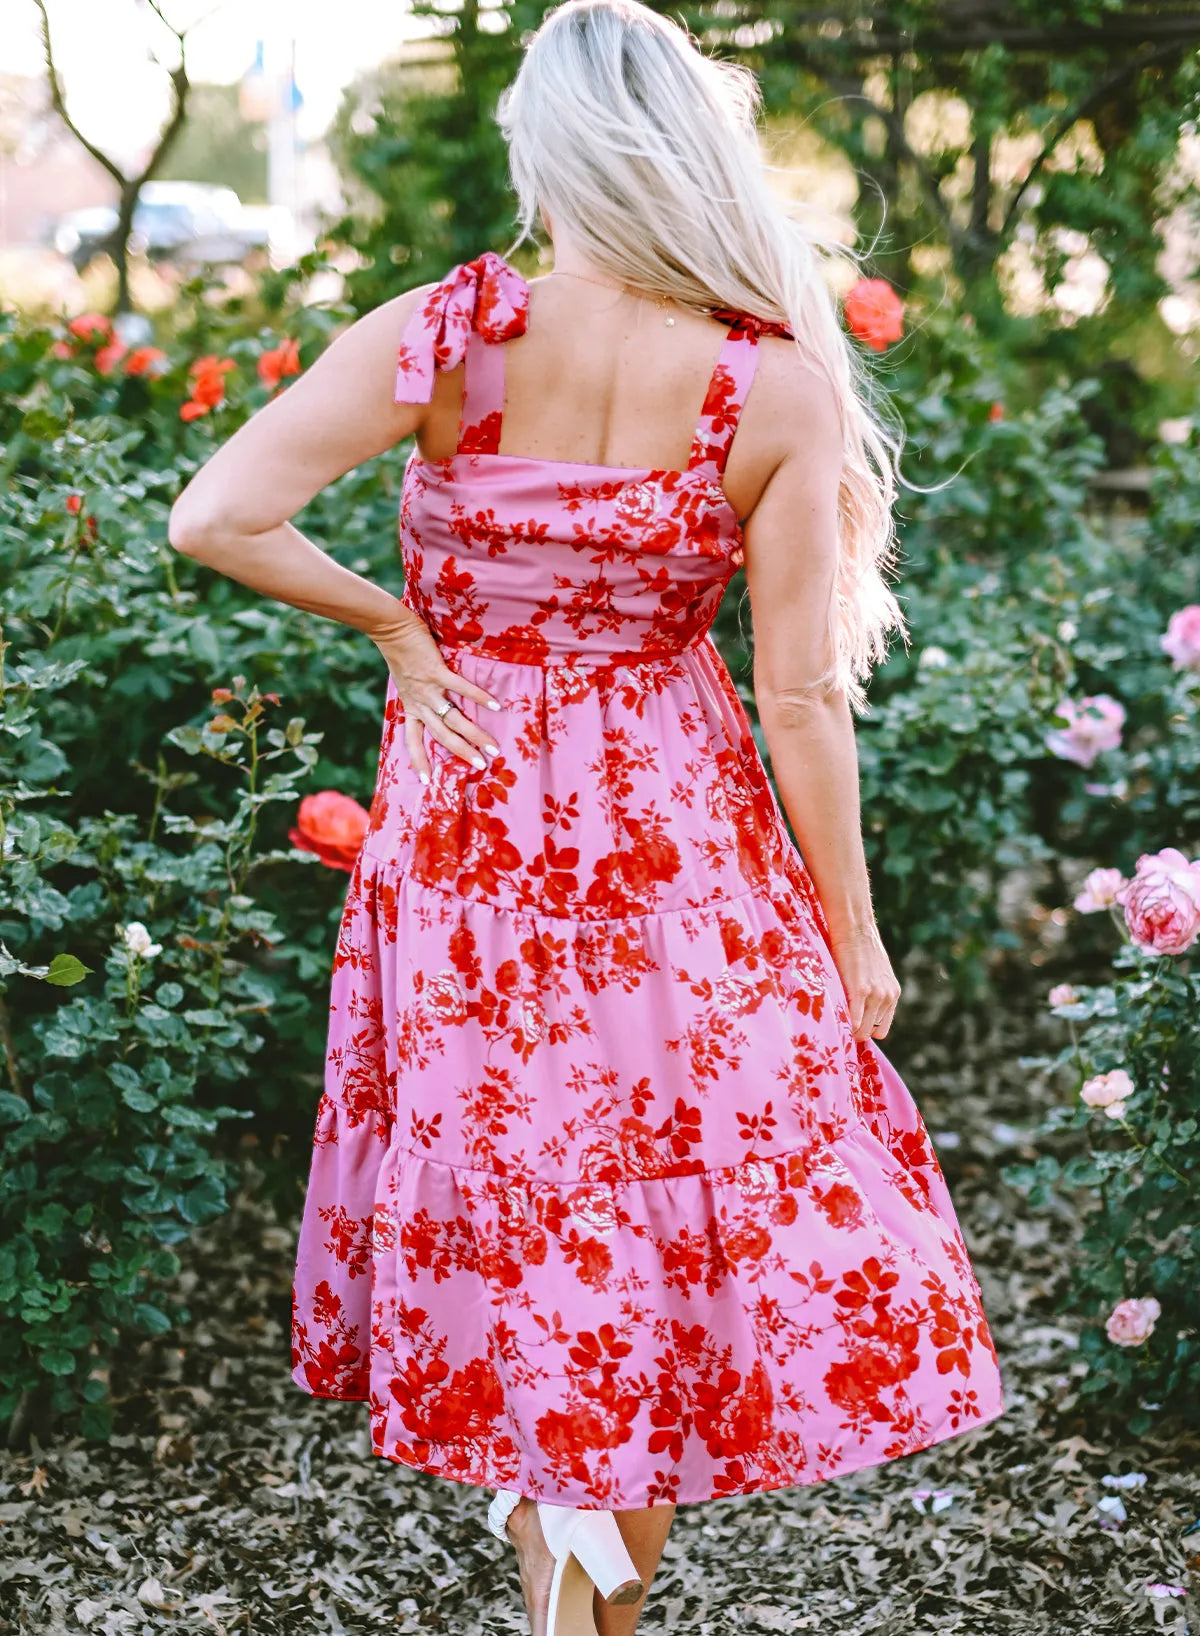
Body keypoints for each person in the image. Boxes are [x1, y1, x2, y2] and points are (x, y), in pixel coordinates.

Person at [168, 1, 1005, 1629]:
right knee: (649, 1225)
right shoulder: (769, 382)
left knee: (534, 1215)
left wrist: (402, 629)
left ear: (544, 148)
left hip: (470, 831)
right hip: (670, 839)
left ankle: (569, 1598)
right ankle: (581, 1608)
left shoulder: (450, 334)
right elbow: (804, 698)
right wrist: (851, 926)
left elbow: (218, 516)